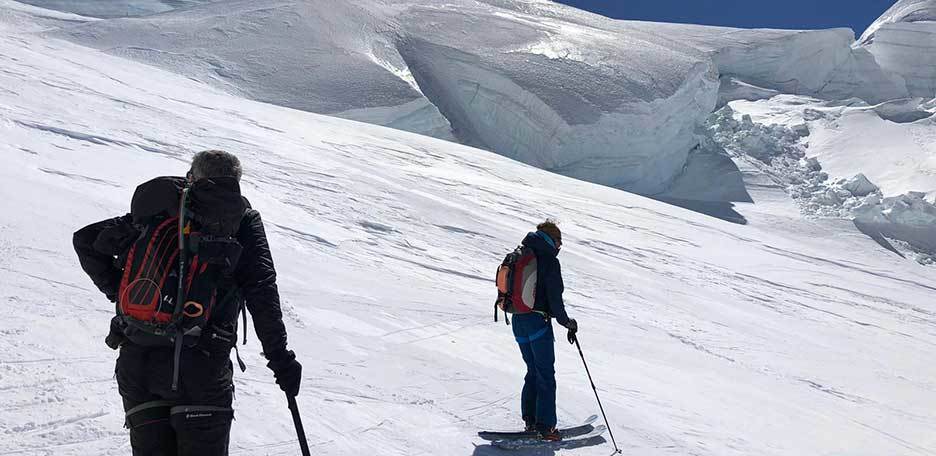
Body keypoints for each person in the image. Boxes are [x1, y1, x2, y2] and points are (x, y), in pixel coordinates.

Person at [73, 150, 302, 456]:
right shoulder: (242, 221)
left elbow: (86, 241)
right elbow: (261, 290)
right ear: (235, 183)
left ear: (192, 177)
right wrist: (280, 359)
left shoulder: (154, 214)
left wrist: (126, 293)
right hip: (201, 369)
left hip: (138, 360)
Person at [513, 220, 578, 441]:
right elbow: (554, 297)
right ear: (553, 240)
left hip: (518, 320)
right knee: (545, 375)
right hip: (537, 322)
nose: (560, 247)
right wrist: (566, 322)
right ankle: (546, 427)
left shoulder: (523, 252)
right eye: (560, 242)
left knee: (533, 370)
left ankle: (530, 420)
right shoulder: (548, 260)